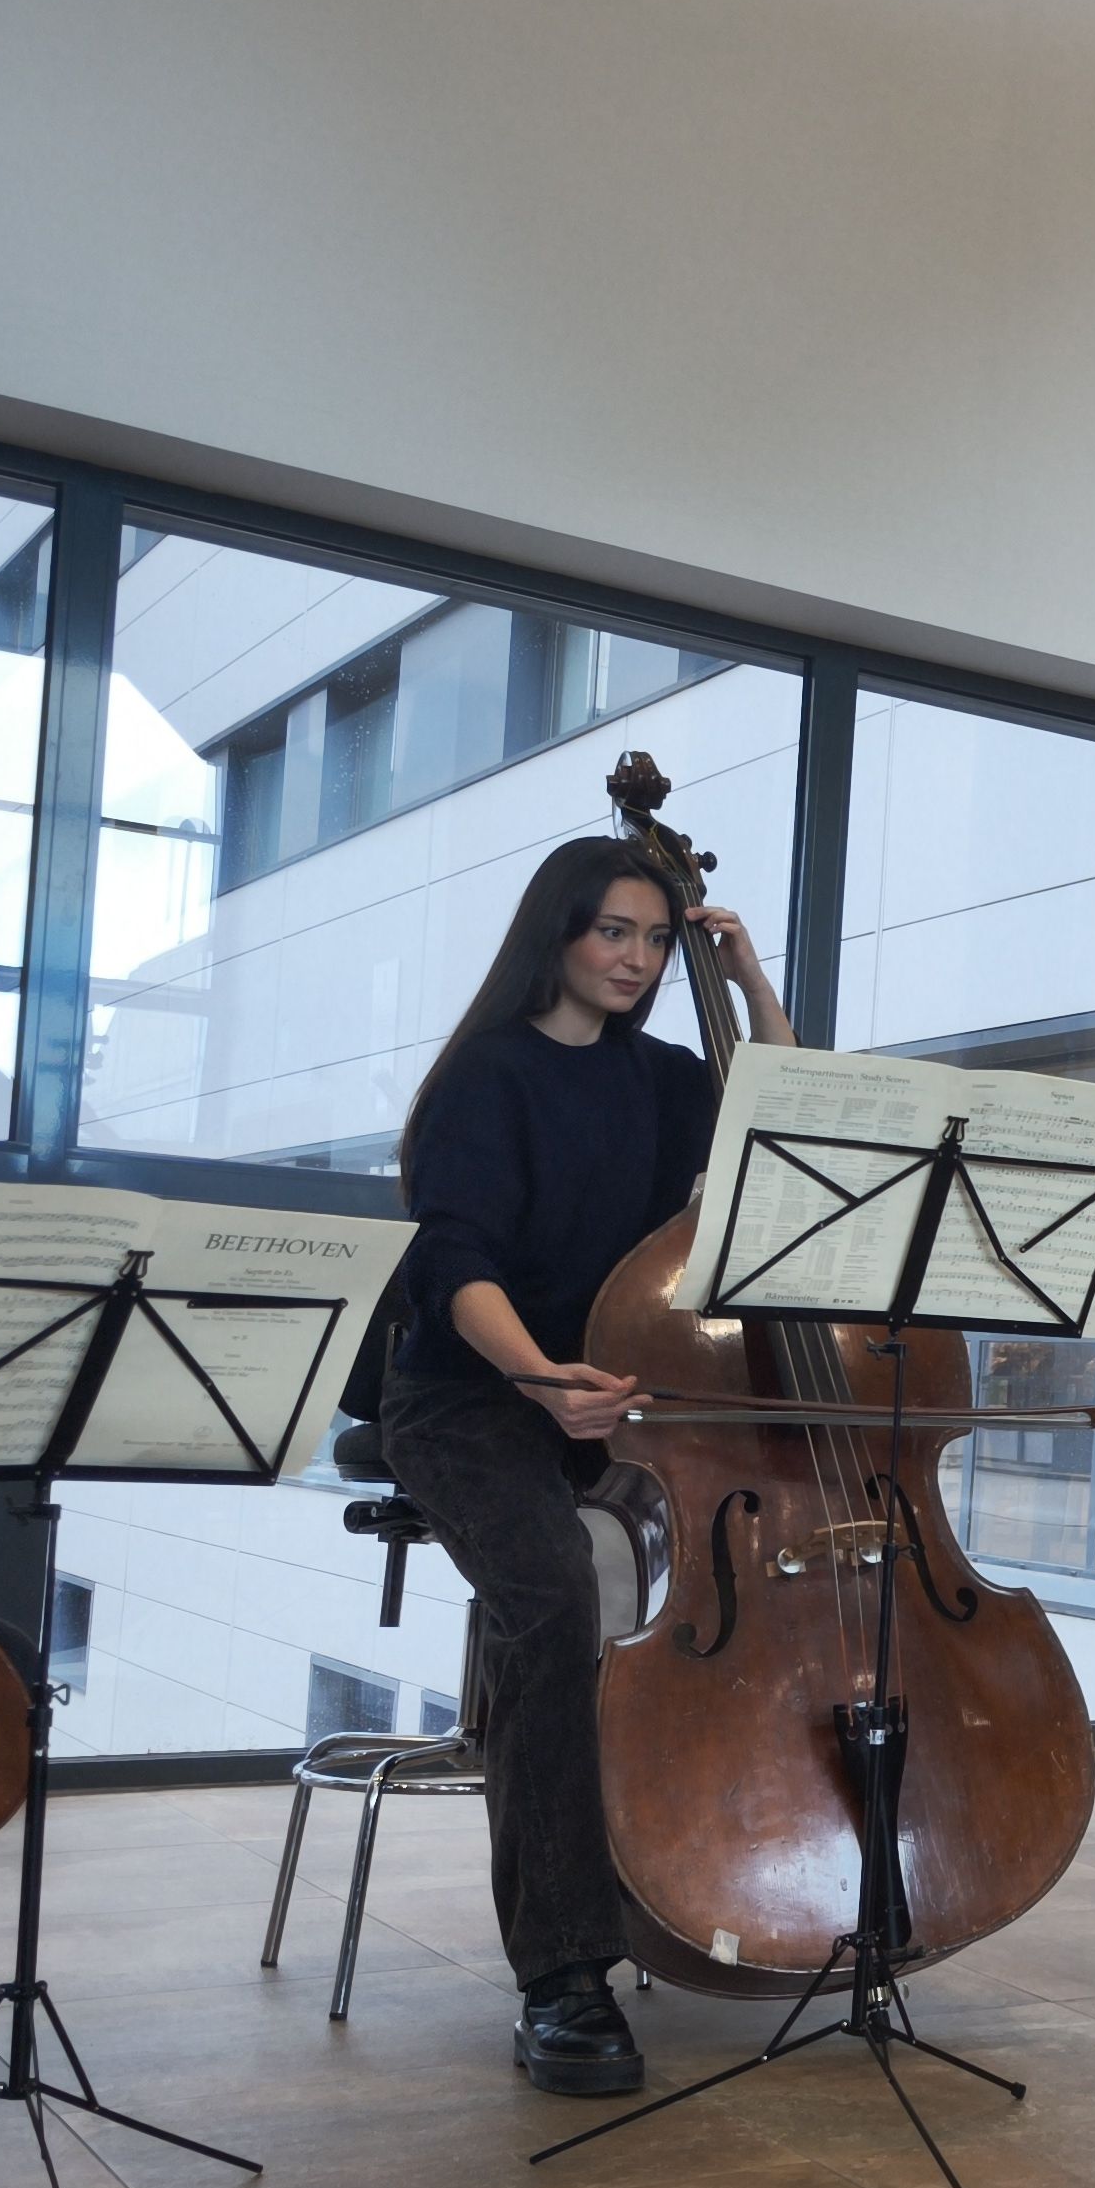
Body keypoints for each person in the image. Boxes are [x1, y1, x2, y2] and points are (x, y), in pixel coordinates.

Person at [377, 839, 793, 2094]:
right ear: (556, 934)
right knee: (555, 1601)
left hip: (616, 1393)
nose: (637, 959)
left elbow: (786, 1119)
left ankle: (725, 1884)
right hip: (472, 1396)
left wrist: (749, 977)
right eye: (615, 932)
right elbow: (453, 1265)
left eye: (657, 940)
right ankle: (564, 1974)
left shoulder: (668, 1079)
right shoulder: (484, 1080)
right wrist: (538, 1381)